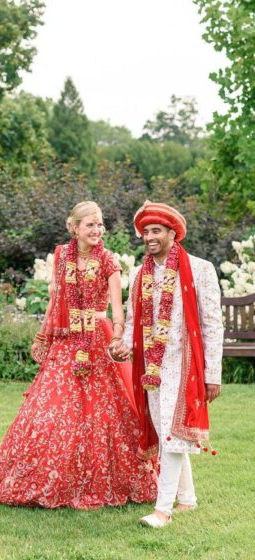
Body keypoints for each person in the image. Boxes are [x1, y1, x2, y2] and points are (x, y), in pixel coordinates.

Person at [0, 201, 157, 509]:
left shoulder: (108, 261)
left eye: (100, 224)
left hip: (98, 343)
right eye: (90, 224)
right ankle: (40, 479)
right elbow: (55, 299)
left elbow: (118, 309)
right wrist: (42, 335)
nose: (97, 230)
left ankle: (109, 480)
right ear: (74, 228)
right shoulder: (62, 255)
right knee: (50, 409)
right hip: (65, 342)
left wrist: (117, 336)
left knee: (105, 412)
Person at [111, 200, 223, 528]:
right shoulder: (139, 273)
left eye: (156, 230)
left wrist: (212, 373)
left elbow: (212, 324)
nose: (149, 237)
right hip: (152, 367)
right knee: (164, 431)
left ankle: (163, 510)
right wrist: (123, 346)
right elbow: (134, 321)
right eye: (145, 231)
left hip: (185, 364)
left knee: (173, 435)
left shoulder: (200, 269)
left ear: (173, 234)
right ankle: (187, 498)